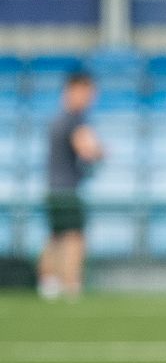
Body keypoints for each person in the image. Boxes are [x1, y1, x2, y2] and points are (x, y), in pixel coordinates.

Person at [38, 70, 102, 300]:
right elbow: (87, 149)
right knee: (74, 238)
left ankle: (48, 282)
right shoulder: (74, 120)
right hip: (67, 189)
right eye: (88, 92)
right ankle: (71, 283)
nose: (91, 98)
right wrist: (100, 151)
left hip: (54, 187)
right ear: (74, 90)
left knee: (55, 236)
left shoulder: (58, 119)